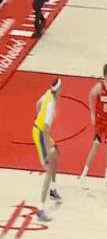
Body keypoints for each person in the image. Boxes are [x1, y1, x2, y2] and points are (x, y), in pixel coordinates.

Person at [80, 64, 107, 188]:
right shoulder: (99, 87)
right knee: (95, 148)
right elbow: (90, 95)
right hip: (99, 122)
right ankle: (83, 175)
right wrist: (92, 113)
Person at [32, 78, 63, 222]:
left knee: (56, 153)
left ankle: (53, 190)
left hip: (40, 130)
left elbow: (38, 104)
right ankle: (40, 208)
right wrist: (48, 148)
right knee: (49, 167)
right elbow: (45, 130)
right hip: (40, 134)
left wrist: (39, 116)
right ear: (58, 90)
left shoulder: (48, 94)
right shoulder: (51, 106)